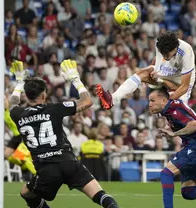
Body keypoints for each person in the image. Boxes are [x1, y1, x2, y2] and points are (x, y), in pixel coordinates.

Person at [8, 60, 119, 208]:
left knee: (26, 193)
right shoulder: (54, 109)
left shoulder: (18, 114)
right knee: (100, 195)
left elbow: (12, 103)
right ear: (44, 95)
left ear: (27, 96)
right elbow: (87, 101)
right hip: (69, 163)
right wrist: (75, 79)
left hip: (46, 170)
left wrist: (19, 83)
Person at [96, 31, 195, 109]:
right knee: (142, 73)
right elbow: (157, 62)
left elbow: (184, 86)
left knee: (179, 115)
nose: (164, 56)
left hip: (181, 80)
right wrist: (152, 73)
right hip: (167, 72)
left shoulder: (186, 51)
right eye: (163, 53)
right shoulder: (160, 44)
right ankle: (113, 99)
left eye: (167, 54)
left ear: (175, 48)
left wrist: (168, 100)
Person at [4, 96, 36, 175]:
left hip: (22, 135)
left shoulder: (16, 112)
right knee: (6, 155)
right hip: (16, 136)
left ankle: (35, 173)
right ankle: (24, 166)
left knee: (23, 156)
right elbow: (8, 122)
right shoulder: (5, 113)